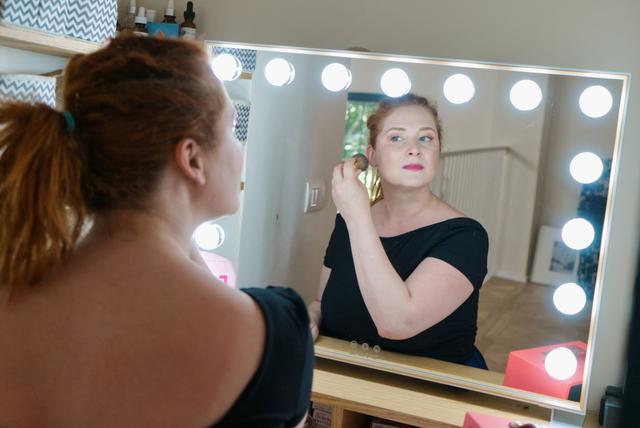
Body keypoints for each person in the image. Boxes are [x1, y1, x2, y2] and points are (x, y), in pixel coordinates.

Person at [0, 35, 312, 427]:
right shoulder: (273, 337)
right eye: (232, 129)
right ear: (192, 158)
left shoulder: (12, 302)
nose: (239, 150)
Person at [308, 94, 489, 368]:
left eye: (426, 138)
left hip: (425, 389)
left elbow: (396, 323)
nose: (414, 148)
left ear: (438, 151)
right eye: (396, 138)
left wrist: (358, 216)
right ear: (372, 155)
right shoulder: (348, 221)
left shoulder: (466, 238)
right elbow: (321, 302)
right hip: (341, 379)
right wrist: (310, 318)